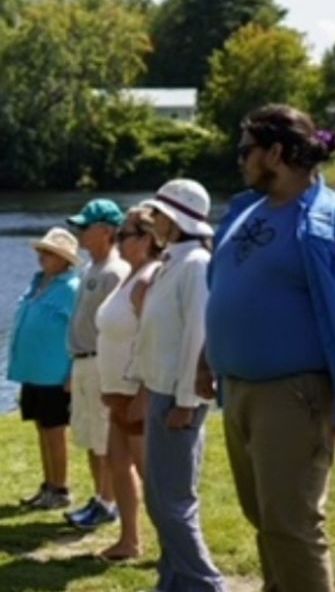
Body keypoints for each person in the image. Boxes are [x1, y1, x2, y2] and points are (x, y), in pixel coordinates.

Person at [200, 104, 335, 591]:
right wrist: (208, 358)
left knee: (293, 523)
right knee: (264, 516)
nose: (240, 161)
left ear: (277, 153)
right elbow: (224, 288)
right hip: (238, 389)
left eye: (247, 150)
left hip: (296, 395)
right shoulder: (247, 210)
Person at [133, 178, 224, 591]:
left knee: (171, 503)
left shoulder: (195, 265)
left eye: (158, 215)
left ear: (176, 219)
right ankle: (173, 581)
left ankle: (206, 584)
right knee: (160, 498)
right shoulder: (175, 261)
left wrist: (186, 401)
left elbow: (197, 337)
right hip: (163, 390)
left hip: (178, 395)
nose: (152, 222)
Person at [92, 203, 165, 561]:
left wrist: (143, 391)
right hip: (116, 392)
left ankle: (173, 546)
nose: (118, 240)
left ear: (150, 238)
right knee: (118, 464)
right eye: (118, 234)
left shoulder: (151, 278)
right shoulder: (129, 275)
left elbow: (154, 338)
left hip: (135, 391)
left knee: (151, 472)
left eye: (126, 235)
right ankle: (129, 541)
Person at [63, 199, 129, 529]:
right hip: (83, 362)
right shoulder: (89, 268)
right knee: (90, 437)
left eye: (85, 227)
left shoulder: (115, 272)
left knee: (106, 439)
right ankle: (100, 497)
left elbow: (118, 326)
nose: (79, 233)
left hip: (102, 364)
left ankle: (108, 501)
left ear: (106, 231)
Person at [8, 226, 81, 510]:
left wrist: (74, 371)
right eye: (42, 251)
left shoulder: (72, 289)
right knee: (42, 428)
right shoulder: (38, 283)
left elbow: (80, 332)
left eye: (50, 252)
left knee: (55, 430)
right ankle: (48, 484)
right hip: (34, 371)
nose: (42, 257)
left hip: (55, 374)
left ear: (65, 259)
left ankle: (60, 489)